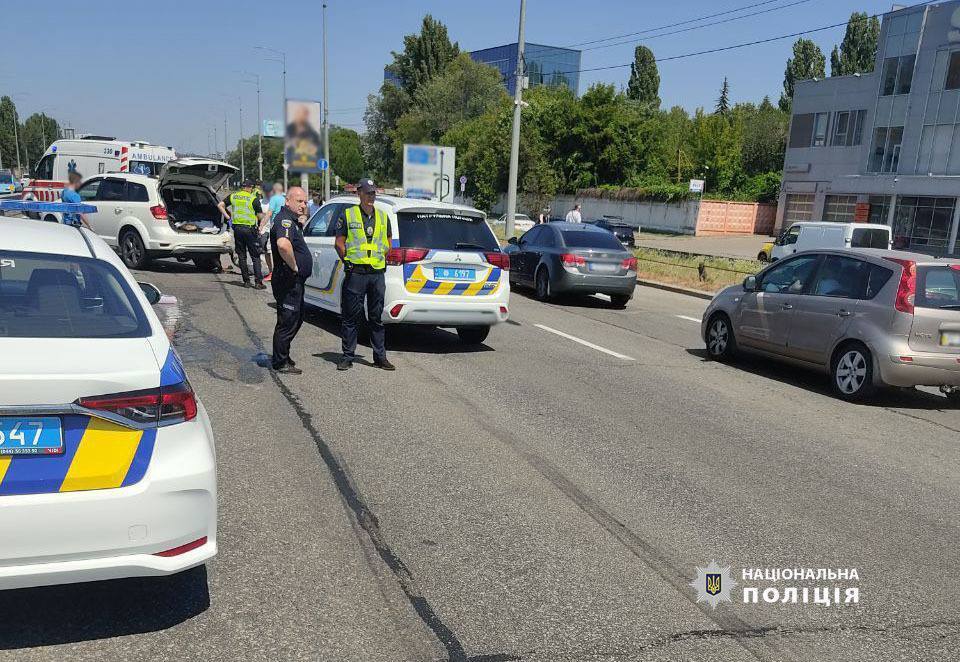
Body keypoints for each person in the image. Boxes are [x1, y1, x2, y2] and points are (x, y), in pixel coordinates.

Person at [334, 178, 394, 371]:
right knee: (351, 316)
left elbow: (388, 243)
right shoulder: (348, 214)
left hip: (376, 274)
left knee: (376, 317)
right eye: (367, 193)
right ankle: (347, 356)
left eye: (373, 193)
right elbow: (339, 242)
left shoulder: (384, 216)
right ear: (358, 193)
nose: (371, 197)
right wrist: (348, 262)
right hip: (356, 273)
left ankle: (380, 357)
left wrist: (378, 257)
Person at [269, 186, 312, 374]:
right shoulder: (285, 220)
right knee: (287, 320)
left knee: (296, 318)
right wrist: (295, 266)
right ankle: (280, 361)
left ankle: (283, 355)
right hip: (287, 279)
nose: (303, 205)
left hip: (294, 281)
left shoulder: (293, 220)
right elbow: (283, 245)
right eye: (299, 201)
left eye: (305, 201)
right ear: (288, 201)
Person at [218, 180, 266, 289]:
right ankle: (258, 282)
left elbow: (220, 205)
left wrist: (228, 218)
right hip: (250, 230)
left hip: (238, 229)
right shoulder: (254, 199)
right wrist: (260, 226)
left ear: (242, 187)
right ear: (250, 188)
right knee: (255, 256)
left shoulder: (233, 196)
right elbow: (260, 216)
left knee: (242, 256)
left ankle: (246, 281)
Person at [262, 183, 286, 281]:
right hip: (284, 227)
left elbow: (269, 213)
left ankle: (273, 273)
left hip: (274, 228)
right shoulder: (285, 199)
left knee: (270, 250)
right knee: (282, 250)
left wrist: (261, 224)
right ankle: (281, 273)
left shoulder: (273, 199)